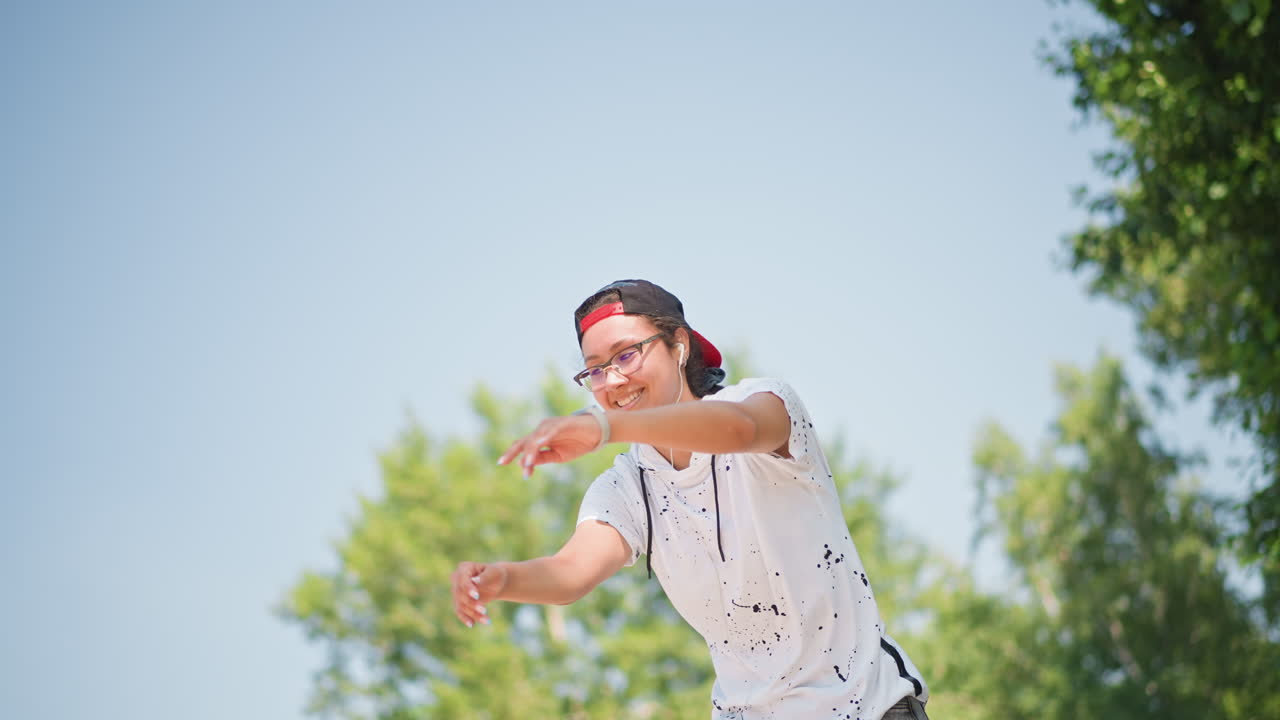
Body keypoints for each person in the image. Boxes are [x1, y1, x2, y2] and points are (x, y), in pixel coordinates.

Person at [450, 279, 930, 720]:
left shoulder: (765, 402)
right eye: (595, 370)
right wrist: (500, 579)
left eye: (626, 355)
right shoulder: (629, 486)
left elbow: (740, 429)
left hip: (866, 707)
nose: (611, 381)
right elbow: (570, 573)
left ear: (678, 345)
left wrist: (606, 428)